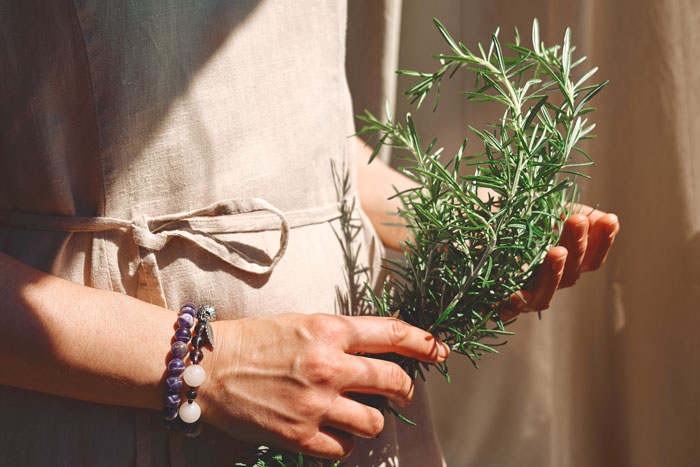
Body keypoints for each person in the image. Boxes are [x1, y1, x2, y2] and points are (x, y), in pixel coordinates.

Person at [0, 1, 619, 466]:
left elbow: (299, 148)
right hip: (105, 407)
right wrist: (212, 366)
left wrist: (450, 224)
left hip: (340, 410)